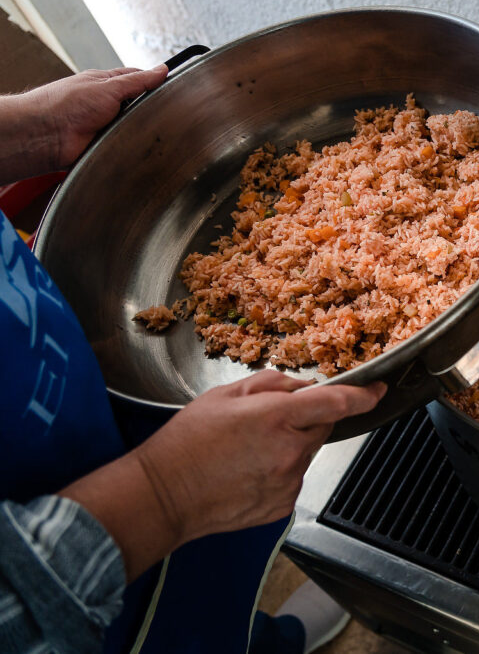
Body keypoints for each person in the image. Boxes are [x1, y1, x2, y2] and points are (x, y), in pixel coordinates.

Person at [0, 66, 385, 653]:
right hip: (76, 599)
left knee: (214, 601)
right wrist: (165, 493)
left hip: (71, 410)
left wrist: (31, 131)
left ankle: (268, 642)